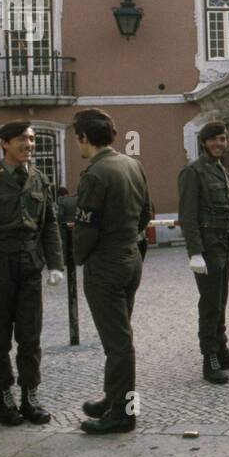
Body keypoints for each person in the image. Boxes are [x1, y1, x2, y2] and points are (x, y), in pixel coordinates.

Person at [0, 120, 64, 426]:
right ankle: (3, 397)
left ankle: (30, 396)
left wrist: (55, 264)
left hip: (29, 265)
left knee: (30, 336)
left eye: (31, 140)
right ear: (4, 143)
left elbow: (50, 226)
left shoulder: (41, 181)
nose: (28, 145)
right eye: (21, 139)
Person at [71, 108, 153, 434]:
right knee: (118, 339)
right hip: (130, 259)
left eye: (76, 137)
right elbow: (147, 213)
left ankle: (123, 413)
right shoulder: (133, 165)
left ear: (84, 138)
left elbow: (85, 229)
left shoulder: (95, 174)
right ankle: (113, 398)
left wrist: (78, 257)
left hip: (105, 265)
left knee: (118, 343)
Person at [178, 120, 229, 385]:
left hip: (223, 244)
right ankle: (209, 358)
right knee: (209, 304)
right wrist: (194, 252)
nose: (220, 144)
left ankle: (221, 350)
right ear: (203, 142)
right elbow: (187, 215)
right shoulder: (193, 171)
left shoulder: (221, 170)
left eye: (222, 139)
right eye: (214, 140)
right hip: (207, 249)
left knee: (221, 301)